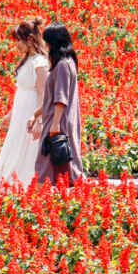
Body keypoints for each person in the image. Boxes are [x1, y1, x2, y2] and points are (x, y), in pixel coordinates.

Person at [0, 19, 49, 188]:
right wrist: (10, 114)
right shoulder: (27, 60)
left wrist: (38, 119)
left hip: (30, 113)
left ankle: (23, 183)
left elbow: (42, 92)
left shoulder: (40, 62)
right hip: (20, 113)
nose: (16, 45)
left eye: (19, 40)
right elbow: (21, 91)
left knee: (26, 148)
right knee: (14, 146)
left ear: (30, 40)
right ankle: (11, 181)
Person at [30, 22, 85, 185]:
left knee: (48, 162)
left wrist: (55, 125)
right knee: (61, 162)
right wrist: (36, 114)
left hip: (58, 121)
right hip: (60, 120)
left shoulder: (62, 65)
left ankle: (40, 201)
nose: (46, 47)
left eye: (48, 43)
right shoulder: (68, 63)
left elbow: (60, 99)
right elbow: (51, 98)